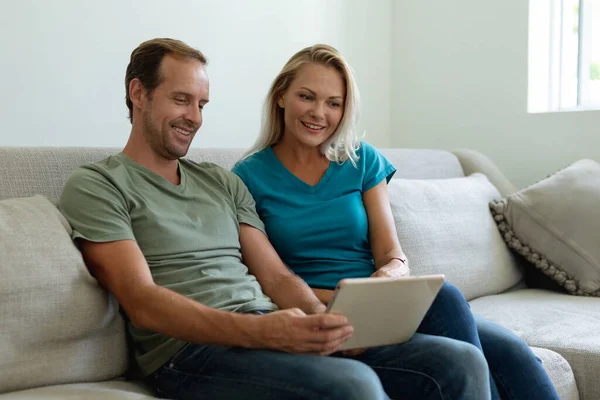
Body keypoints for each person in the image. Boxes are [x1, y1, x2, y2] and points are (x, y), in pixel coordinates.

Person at [58, 38, 490, 400]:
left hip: (270, 325)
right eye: (181, 100)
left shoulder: (221, 182)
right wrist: (262, 332)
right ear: (138, 93)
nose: (195, 117)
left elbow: (277, 278)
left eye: (202, 104)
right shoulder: (99, 184)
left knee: (458, 361)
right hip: (191, 352)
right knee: (353, 386)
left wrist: (329, 326)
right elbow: (142, 301)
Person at [233, 44, 560, 400]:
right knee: (460, 343)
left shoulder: (361, 160)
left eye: (334, 103)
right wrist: (348, 302)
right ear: (281, 97)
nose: (319, 113)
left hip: (382, 305)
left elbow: (391, 253)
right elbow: (269, 278)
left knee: (511, 350)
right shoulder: (247, 177)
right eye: (306, 97)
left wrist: (390, 276)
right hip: (318, 311)